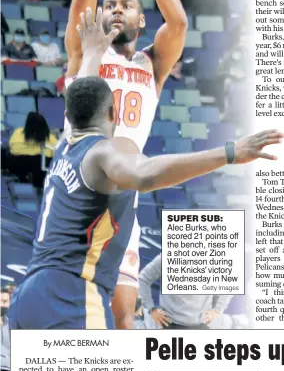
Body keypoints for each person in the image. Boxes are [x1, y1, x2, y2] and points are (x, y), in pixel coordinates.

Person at [9, 69, 282, 335]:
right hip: (70, 297)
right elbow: (145, 175)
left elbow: (83, 84)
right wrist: (230, 152)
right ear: (114, 112)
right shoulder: (108, 149)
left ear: (68, 116)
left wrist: (93, 47)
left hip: (28, 297)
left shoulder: (64, 147)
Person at [64, 0, 188, 330]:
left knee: (122, 316)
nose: (116, 8)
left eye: (127, 5)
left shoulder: (150, 65)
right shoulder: (84, 47)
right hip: (78, 187)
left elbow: (177, 26)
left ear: (139, 21)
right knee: (69, 309)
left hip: (124, 197)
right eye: (110, 4)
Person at [138, 254, 232, 329]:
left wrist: (218, 310)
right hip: (169, 324)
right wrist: (151, 309)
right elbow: (143, 279)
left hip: (201, 324)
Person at [7, 112, 57, 187]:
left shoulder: (18, 133)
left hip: (19, 166)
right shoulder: (51, 138)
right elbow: (56, 153)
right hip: (40, 169)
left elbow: (11, 148)